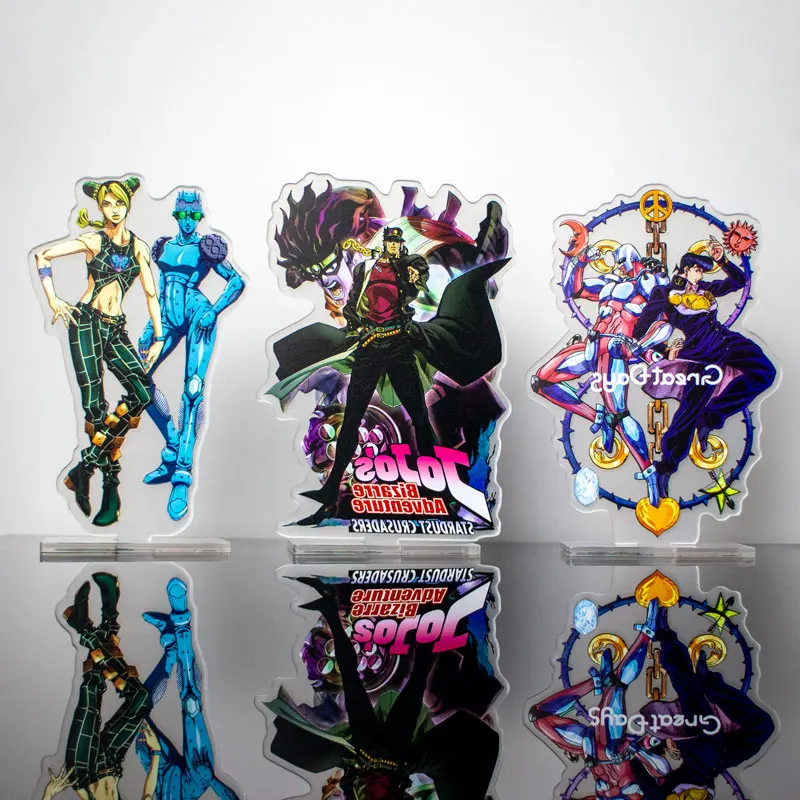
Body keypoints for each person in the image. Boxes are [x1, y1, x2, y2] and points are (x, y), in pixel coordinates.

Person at [269, 226, 508, 524]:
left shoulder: (407, 265)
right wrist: (356, 326)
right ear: (385, 244)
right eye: (390, 243)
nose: (393, 247)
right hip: (369, 348)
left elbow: (417, 279)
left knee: (420, 419)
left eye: (396, 243)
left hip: (399, 348)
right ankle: (330, 493)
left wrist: (409, 272)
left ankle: (438, 488)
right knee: (351, 420)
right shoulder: (365, 269)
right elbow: (353, 304)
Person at [265, 578, 500, 799]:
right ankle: (440, 608)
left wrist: (352, 772)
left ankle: (329, 607)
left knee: (354, 678)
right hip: (394, 753)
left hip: (367, 750)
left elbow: (349, 784)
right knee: (415, 678)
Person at [34, 178, 164, 526]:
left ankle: (86, 466)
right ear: (100, 207)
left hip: (116, 327)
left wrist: (159, 336)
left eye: (119, 202)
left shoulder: (138, 247)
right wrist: (54, 300)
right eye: (107, 203)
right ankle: (110, 487)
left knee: (142, 392)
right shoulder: (94, 240)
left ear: (128, 204)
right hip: (86, 323)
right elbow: (42, 255)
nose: (114, 209)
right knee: (95, 407)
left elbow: (151, 293)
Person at [633, 237, 776, 498]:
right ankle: (666, 467)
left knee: (765, 372)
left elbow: (738, 281)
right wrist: (665, 350)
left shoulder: (705, 289)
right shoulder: (664, 294)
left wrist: (722, 260)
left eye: (703, 271)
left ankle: (711, 417)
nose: (700, 275)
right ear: (685, 269)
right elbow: (640, 330)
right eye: (697, 270)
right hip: (700, 353)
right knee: (690, 408)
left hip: (727, 342)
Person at [138, 191, 245, 521]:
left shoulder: (206, 246)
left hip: (197, 314)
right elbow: (159, 289)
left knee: (193, 391)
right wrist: (151, 325)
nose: (188, 220)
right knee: (136, 379)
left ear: (200, 217)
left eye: (194, 215)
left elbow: (236, 282)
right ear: (175, 215)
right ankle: (172, 443)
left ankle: (182, 474)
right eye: (183, 215)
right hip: (168, 316)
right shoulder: (164, 246)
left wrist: (214, 310)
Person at [528, 600, 670, 800]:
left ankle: (595, 682)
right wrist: (634, 748)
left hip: (590, 748)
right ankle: (647, 633)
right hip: (612, 743)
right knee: (616, 686)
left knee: (539, 716)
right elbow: (662, 770)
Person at [43, 573, 156, 799]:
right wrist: (157, 753)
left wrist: (49, 793)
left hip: (82, 771)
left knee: (91, 691)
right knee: (141, 698)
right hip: (112, 761)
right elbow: (148, 794)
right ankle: (89, 625)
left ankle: (97, 621)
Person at [135, 577, 240, 799]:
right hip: (194, 782)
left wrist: (150, 758)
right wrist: (211, 779)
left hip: (162, 781)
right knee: (191, 705)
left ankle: (171, 647)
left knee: (133, 715)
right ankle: (181, 622)